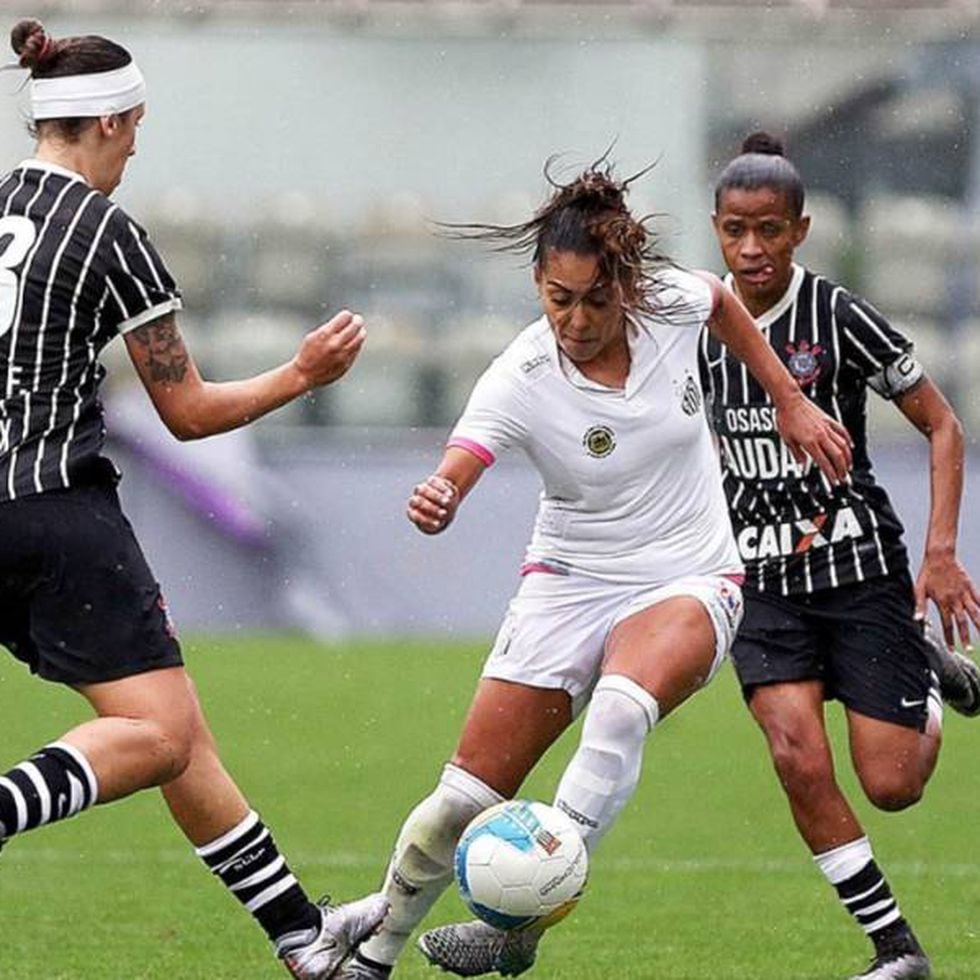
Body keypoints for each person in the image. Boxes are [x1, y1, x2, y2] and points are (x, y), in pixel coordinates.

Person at [335, 159, 853, 980]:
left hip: (690, 577)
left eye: (595, 300)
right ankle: (374, 953)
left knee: (618, 710)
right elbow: (463, 458)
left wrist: (788, 398)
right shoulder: (521, 374)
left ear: (627, 287)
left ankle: (523, 924)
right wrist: (442, 491)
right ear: (539, 286)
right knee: (459, 806)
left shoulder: (673, 303)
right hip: (568, 581)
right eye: (558, 299)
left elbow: (723, 305)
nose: (576, 320)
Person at [0, 19, 387, 979]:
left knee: (177, 731)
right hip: (54, 511)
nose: (137, 144)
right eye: (134, 125)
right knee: (159, 736)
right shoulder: (108, 233)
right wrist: (302, 373)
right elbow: (188, 411)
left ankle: (300, 936)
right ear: (106, 122)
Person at [702, 131, 980, 980]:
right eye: (736, 230)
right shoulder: (692, 318)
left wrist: (939, 554)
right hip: (762, 583)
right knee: (794, 752)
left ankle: (928, 674)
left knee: (892, 783)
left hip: (857, 572)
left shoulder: (839, 317)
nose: (752, 249)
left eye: (770, 231)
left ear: (801, 230)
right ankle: (895, 949)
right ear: (716, 228)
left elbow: (943, 424)